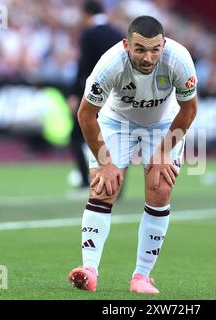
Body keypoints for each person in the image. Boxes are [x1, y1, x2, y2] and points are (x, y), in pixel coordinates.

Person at [68, 15, 198, 294]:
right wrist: (106, 162)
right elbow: (85, 114)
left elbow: (188, 110)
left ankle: (141, 277)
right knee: (104, 187)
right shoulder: (110, 64)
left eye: (155, 49)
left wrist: (163, 152)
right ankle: (89, 270)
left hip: (163, 123)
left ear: (163, 44)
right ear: (127, 45)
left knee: (160, 189)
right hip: (117, 121)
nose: (148, 57)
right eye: (140, 49)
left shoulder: (180, 59)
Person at [68, 0, 123, 189]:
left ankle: (85, 179)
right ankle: (118, 183)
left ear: (86, 14)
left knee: (77, 136)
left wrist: (75, 94)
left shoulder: (89, 34)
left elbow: (83, 67)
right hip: (116, 96)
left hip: (94, 95)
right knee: (117, 139)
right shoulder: (118, 34)